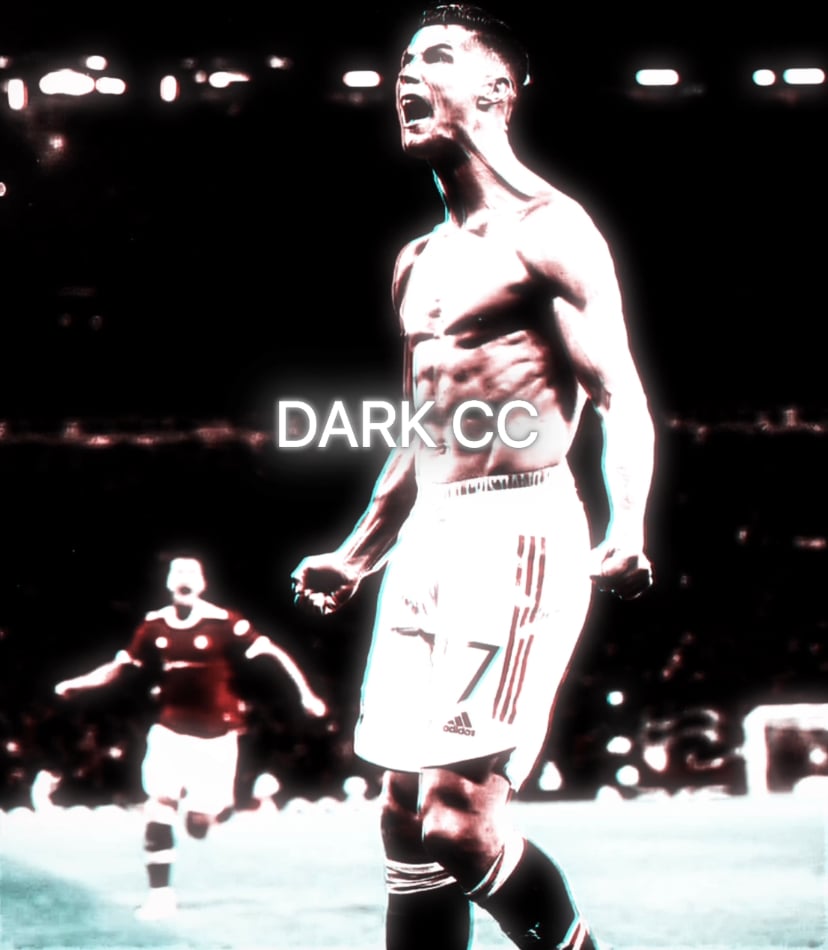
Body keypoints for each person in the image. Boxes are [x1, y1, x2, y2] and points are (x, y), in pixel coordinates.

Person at [291, 5, 655, 948]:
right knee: (401, 819)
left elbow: (617, 394)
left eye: (437, 58)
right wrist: (357, 552)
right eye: (402, 63)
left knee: (457, 821)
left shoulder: (549, 230)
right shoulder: (417, 261)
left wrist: (627, 522)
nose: (406, 76)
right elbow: (423, 429)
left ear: (497, 90)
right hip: (431, 536)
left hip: (517, 530)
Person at [55, 555, 327, 920]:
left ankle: (210, 814)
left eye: (191, 573)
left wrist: (306, 694)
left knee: (198, 825)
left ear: (202, 583)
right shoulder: (153, 625)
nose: (184, 578)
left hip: (217, 739)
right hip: (169, 733)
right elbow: (118, 667)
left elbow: (274, 653)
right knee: (159, 806)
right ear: (169, 583)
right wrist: (78, 684)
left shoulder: (223, 622)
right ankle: (160, 896)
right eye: (177, 572)